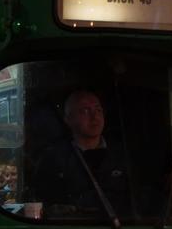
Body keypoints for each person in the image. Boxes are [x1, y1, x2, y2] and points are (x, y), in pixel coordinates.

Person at [31, 89, 133, 218]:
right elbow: (40, 205)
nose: (94, 116)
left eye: (98, 110)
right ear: (68, 119)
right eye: (85, 110)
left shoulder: (123, 156)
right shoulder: (52, 160)